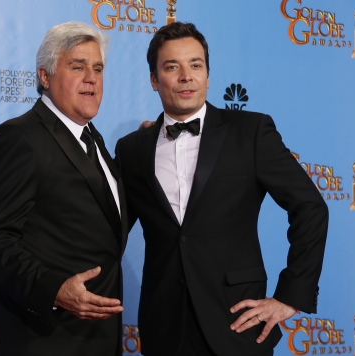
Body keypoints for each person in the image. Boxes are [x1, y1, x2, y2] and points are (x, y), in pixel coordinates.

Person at [115, 22, 328, 356]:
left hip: (238, 324)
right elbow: (113, 230)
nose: (186, 76)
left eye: (196, 65)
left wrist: (290, 296)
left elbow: (310, 207)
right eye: (172, 67)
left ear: (208, 76)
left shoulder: (251, 131)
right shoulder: (131, 149)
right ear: (154, 80)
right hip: (164, 326)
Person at [0, 22, 128, 356]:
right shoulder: (19, 139)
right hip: (47, 340)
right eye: (78, 66)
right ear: (45, 77)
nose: (92, 77)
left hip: (99, 338)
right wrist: (53, 290)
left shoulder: (95, 140)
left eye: (98, 68)